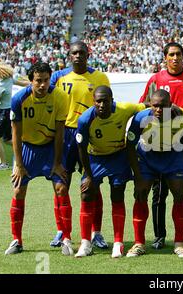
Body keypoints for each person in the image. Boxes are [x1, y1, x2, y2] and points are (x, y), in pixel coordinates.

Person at [139, 42, 183, 249]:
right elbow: (144, 105)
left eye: (178, 54)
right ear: (165, 57)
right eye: (171, 54)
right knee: (160, 191)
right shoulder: (155, 80)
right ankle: (159, 236)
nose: (175, 58)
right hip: (162, 140)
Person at [4, 62, 72, 255]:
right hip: (27, 149)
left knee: (61, 187)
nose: (42, 85)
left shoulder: (59, 96)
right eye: (38, 81)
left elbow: (60, 133)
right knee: (18, 191)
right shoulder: (19, 99)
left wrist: (58, 162)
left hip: (51, 148)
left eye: (46, 80)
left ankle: (66, 238)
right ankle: (16, 240)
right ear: (31, 81)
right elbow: (15, 134)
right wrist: (18, 164)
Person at [50, 41, 110, 249]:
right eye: (74, 52)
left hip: (90, 134)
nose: (78, 56)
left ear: (88, 54)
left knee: (93, 185)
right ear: (69, 55)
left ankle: (97, 233)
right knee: (60, 185)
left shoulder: (100, 77)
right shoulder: (59, 77)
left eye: (81, 52)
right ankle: (61, 231)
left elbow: (107, 106)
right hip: (65, 134)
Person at [74, 86, 145, 258]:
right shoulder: (85, 120)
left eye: (105, 100)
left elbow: (145, 106)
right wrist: (89, 175)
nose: (101, 104)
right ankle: (85, 243)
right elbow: (81, 148)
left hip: (118, 157)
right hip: (95, 158)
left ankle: (118, 243)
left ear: (112, 100)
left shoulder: (124, 109)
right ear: (93, 102)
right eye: (98, 101)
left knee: (117, 195)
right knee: (86, 194)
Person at [126, 90, 183, 258]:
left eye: (163, 106)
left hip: (172, 157)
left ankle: (179, 243)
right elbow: (129, 145)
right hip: (148, 159)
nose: (158, 109)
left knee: (179, 195)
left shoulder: (182, 116)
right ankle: (139, 243)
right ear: (150, 104)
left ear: (170, 105)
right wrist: (137, 174)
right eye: (155, 105)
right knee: (141, 194)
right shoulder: (140, 118)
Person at [0, 62, 29, 171]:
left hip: (4, 113)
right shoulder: (9, 80)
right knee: (7, 139)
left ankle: (3, 163)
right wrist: (32, 83)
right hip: (10, 111)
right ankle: (26, 149)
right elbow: (23, 83)